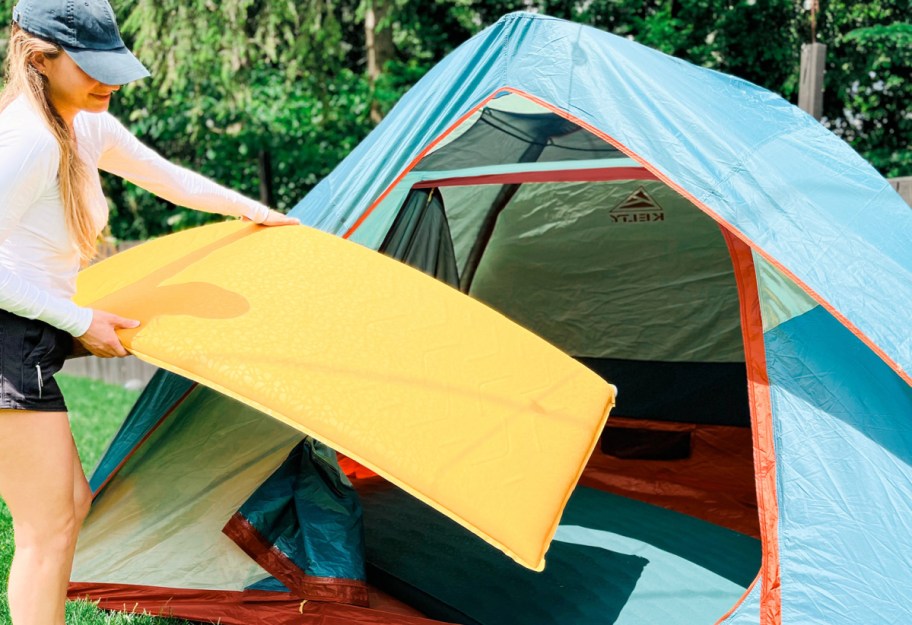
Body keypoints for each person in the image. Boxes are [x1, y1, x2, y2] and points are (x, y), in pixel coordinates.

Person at [0, 1, 299, 623]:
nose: (110, 79)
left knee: (68, 508)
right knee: (46, 528)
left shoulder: (82, 122)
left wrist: (253, 211)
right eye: (92, 66)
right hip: (6, 340)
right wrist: (80, 321)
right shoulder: (28, 137)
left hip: (25, 334)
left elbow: (168, 179)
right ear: (40, 57)